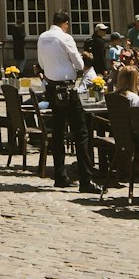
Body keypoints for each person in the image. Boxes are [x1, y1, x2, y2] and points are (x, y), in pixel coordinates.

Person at [37, 10, 98, 192]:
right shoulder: (66, 38)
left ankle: (60, 175)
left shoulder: (42, 37)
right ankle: (86, 179)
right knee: (81, 133)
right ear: (65, 23)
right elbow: (80, 65)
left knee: (58, 133)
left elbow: (41, 63)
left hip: (52, 89)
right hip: (68, 89)